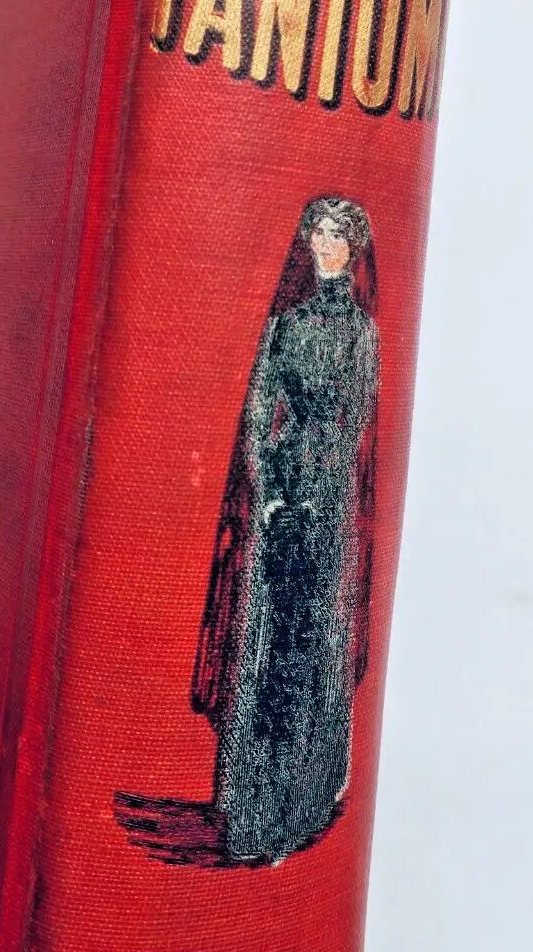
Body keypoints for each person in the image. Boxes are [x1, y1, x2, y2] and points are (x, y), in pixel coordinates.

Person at [192, 196, 380, 864]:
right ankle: (255, 811)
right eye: (319, 233)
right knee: (269, 651)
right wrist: (272, 492)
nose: (327, 245)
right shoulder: (284, 327)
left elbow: (356, 426)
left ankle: (304, 803)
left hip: (330, 511)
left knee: (312, 652)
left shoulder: (362, 334)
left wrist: (320, 493)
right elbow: (256, 416)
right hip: (282, 508)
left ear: (354, 248)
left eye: (339, 236)